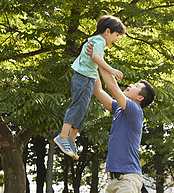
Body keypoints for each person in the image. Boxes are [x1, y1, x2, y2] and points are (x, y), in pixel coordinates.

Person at [86, 43, 155, 193]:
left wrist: (101, 59)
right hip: (113, 178)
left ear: (140, 97)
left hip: (128, 178)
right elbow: (99, 90)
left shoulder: (134, 110)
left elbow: (112, 86)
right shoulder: (118, 109)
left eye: (134, 86)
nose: (129, 85)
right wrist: (91, 63)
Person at [54, 15, 126, 160]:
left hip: (89, 78)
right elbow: (96, 58)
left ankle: (71, 140)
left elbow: (94, 60)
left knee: (84, 109)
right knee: (77, 105)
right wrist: (112, 70)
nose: (116, 39)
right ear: (107, 31)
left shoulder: (97, 41)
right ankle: (62, 136)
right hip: (82, 78)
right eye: (116, 35)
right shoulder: (99, 40)